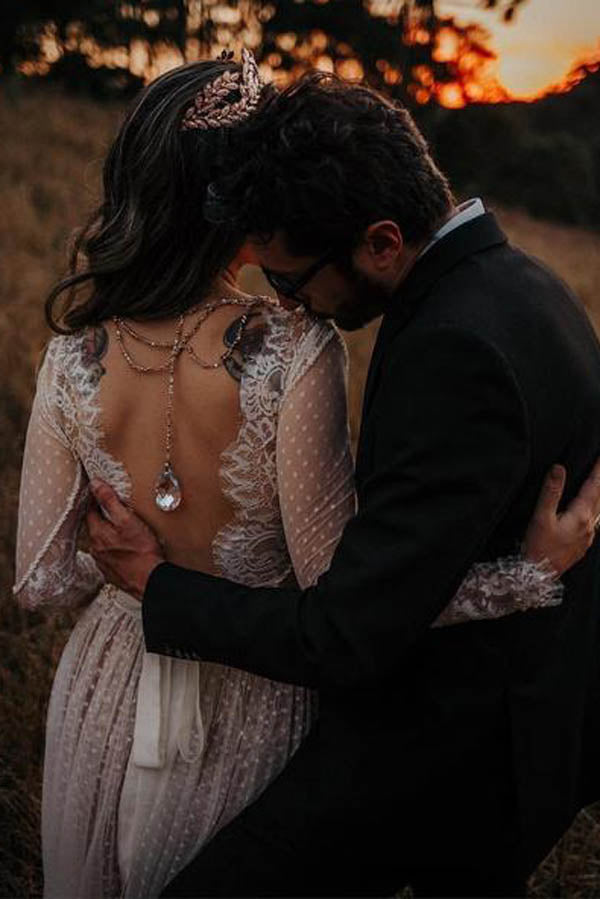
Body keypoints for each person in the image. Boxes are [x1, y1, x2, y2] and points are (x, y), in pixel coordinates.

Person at [13, 54, 586, 898]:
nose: (288, 296)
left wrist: (138, 571)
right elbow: (343, 594)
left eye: (290, 275)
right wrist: (520, 575)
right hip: (260, 695)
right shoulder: (311, 345)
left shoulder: (72, 353)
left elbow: (42, 582)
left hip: (117, 684)